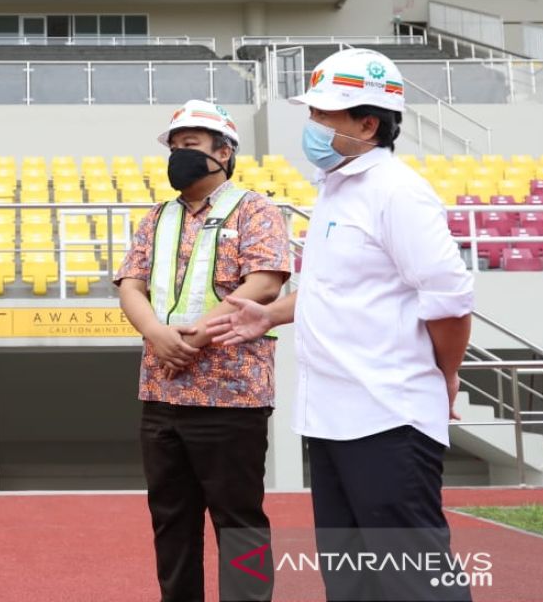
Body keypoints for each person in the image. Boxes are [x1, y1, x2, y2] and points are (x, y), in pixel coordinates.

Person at [207, 49, 475, 601]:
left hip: (388, 417)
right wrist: (269, 313)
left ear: (368, 123)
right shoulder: (335, 190)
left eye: (324, 117)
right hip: (332, 420)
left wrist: (444, 374)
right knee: (351, 582)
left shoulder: (396, 192)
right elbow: (332, 290)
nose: (312, 128)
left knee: (416, 583)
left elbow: (449, 299)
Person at [116, 99, 291, 602]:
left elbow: (264, 284)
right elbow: (131, 285)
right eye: (173, 146)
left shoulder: (256, 209)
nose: (177, 154)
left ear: (224, 152)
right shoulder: (157, 217)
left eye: (189, 145)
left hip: (231, 396)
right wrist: (157, 334)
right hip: (161, 392)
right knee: (171, 522)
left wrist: (195, 335)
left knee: (239, 522)